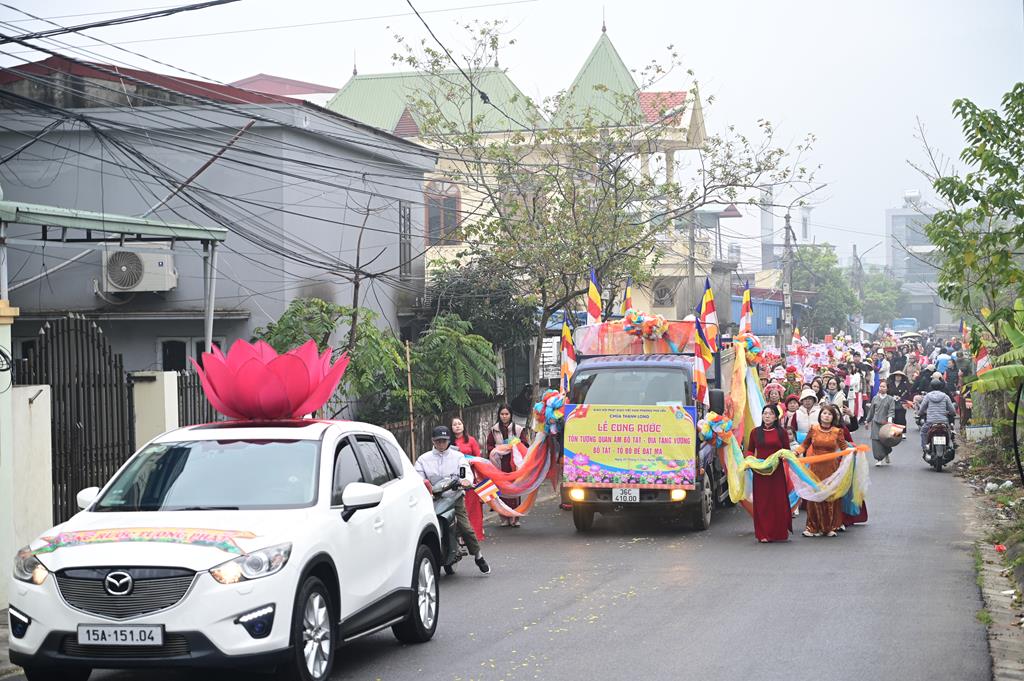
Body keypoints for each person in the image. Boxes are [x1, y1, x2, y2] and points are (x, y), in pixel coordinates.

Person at [414, 426, 491, 574]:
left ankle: (478, 556)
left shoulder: (458, 456)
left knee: (466, 528)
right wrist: (423, 487)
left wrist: (466, 480)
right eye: (438, 441)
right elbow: (418, 477)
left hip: (454, 497)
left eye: (444, 441)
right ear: (433, 441)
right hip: (432, 499)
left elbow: (465, 471)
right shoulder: (423, 459)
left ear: (448, 441)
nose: (441, 444)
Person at [793, 405, 848, 537]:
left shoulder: (837, 431)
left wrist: (851, 453)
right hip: (815, 467)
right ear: (820, 415)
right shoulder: (814, 429)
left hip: (831, 467)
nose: (826, 416)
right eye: (824, 413)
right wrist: (795, 452)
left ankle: (828, 528)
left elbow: (844, 447)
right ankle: (812, 527)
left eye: (829, 414)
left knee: (829, 496)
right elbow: (805, 445)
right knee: (814, 496)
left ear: (833, 417)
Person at [745, 405, 793, 542]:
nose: (767, 416)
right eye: (764, 413)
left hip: (776, 472)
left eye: (770, 414)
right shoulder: (755, 432)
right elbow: (750, 450)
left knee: (777, 501)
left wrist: (783, 457)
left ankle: (779, 533)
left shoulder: (782, 432)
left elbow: (787, 450)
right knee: (762, 502)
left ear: (775, 416)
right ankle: (763, 534)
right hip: (760, 472)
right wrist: (749, 460)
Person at [487, 404, 528, 528]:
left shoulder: (518, 429)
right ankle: (504, 517)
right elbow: (489, 446)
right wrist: (498, 450)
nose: (504, 416)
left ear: (511, 415)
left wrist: (515, 446)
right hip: (499, 464)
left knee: (515, 490)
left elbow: (525, 445)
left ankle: (515, 517)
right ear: (499, 415)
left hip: (514, 465)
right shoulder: (494, 430)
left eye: (506, 414)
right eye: (502, 414)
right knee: (502, 491)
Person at [451, 417, 485, 541]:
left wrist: (471, 462)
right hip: (456, 477)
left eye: (459, 423)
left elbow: (478, 457)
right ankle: (461, 535)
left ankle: (475, 532)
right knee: (461, 506)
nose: (457, 426)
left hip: (471, 475)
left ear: (463, 426)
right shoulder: (449, 442)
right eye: (454, 424)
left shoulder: (471, 440)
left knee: (473, 505)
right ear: (451, 428)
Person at [918, 376, 956, 455]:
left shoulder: (927, 396)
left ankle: (925, 448)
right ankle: (949, 446)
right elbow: (952, 410)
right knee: (950, 432)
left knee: (923, 432)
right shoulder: (945, 396)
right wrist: (952, 413)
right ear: (941, 386)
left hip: (930, 422)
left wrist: (920, 413)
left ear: (931, 386)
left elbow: (922, 408)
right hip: (943, 422)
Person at [866, 379, 897, 466]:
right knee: (876, 441)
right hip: (875, 422)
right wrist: (867, 421)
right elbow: (871, 411)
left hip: (885, 423)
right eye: (880, 386)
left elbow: (891, 410)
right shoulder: (875, 398)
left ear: (887, 389)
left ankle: (886, 453)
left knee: (885, 441)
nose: (881, 388)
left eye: (884, 386)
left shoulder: (890, 399)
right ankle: (879, 459)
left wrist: (890, 420)